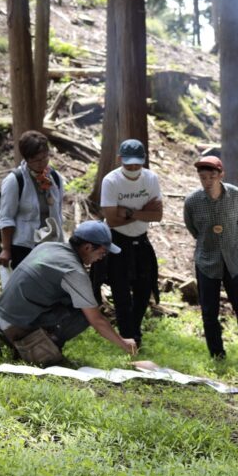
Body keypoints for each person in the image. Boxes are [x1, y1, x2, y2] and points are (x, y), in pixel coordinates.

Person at [0, 220, 137, 366]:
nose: (102, 257)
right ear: (87, 247)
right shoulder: (74, 272)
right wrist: (124, 344)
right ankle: (39, 352)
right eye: (102, 252)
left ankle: (34, 342)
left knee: (75, 301)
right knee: (83, 315)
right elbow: (97, 321)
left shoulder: (49, 246)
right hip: (14, 326)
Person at [183, 156, 238, 360]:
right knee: (209, 310)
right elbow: (193, 229)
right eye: (203, 177)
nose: (207, 181)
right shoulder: (192, 201)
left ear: (221, 175)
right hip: (207, 260)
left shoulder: (235, 195)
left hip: (234, 259)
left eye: (211, 177)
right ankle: (216, 352)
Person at [97, 139, 163, 349]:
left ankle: (135, 330)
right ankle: (127, 336)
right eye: (128, 164)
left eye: (137, 164)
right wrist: (143, 211)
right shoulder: (111, 181)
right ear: (120, 160)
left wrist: (128, 211)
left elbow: (158, 214)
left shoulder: (150, 179)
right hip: (117, 239)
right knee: (120, 290)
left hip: (141, 240)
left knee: (144, 288)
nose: (133, 168)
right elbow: (112, 219)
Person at [0, 130, 66, 269]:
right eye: (36, 160)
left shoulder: (55, 178)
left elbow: (58, 212)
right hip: (25, 246)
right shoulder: (15, 180)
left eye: (45, 158)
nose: (42, 163)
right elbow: (6, 217)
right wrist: (6, 249)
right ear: (27, 158)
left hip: (50, 244)